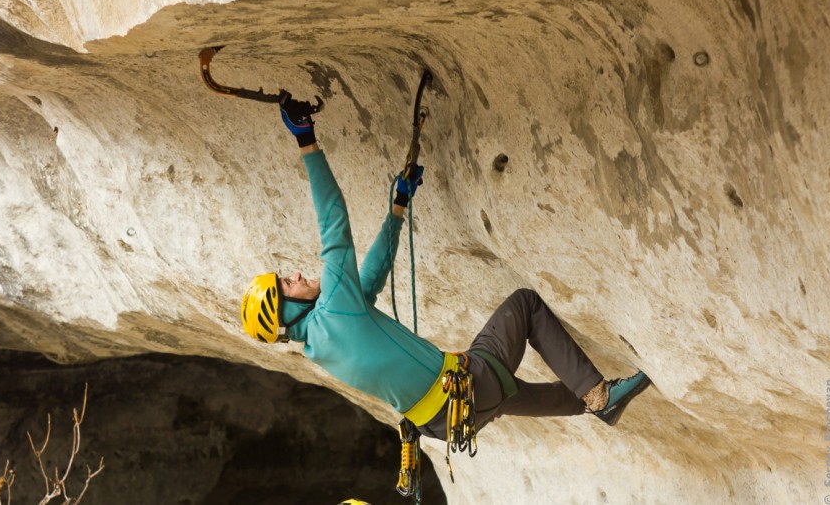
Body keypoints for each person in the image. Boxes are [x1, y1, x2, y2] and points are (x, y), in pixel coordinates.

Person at [240, 103, 651, 445]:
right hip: (469, 387)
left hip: (455, 419)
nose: (294, 275)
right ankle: (600, 397)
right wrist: (306, 140)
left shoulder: (323, 339)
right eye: (286, 284)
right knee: (523, 304)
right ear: (287, 311)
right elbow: (334, 224)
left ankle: (592, 404)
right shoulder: (331, 309)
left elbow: (370, 281)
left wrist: (398, 210)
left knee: (506, 390)